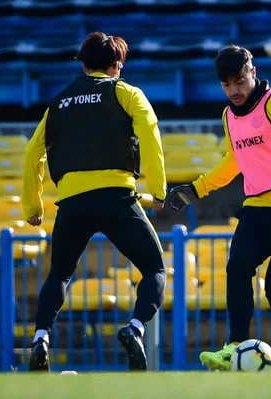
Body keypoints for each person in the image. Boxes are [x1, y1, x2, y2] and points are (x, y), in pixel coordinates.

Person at [167, 45, 271, 373]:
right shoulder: (229, 116)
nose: (234, 90)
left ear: (252, 73)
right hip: (256, 209)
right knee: (237, 269)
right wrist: (196, 189)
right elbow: (235, 160)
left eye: (239, 81)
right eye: (226, 85)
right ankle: (233, 348)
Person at [22, 32, 167, 372]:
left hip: (72, 202)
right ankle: (135, 329)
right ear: (118, 66)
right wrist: (157, 189)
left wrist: (33, 207)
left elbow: (32, 154)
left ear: (84, 66)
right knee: (155, 269)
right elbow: (150, 132)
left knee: (59, 273)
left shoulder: (58, 103)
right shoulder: (127, 92)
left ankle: (40, 337)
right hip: (117, 196)